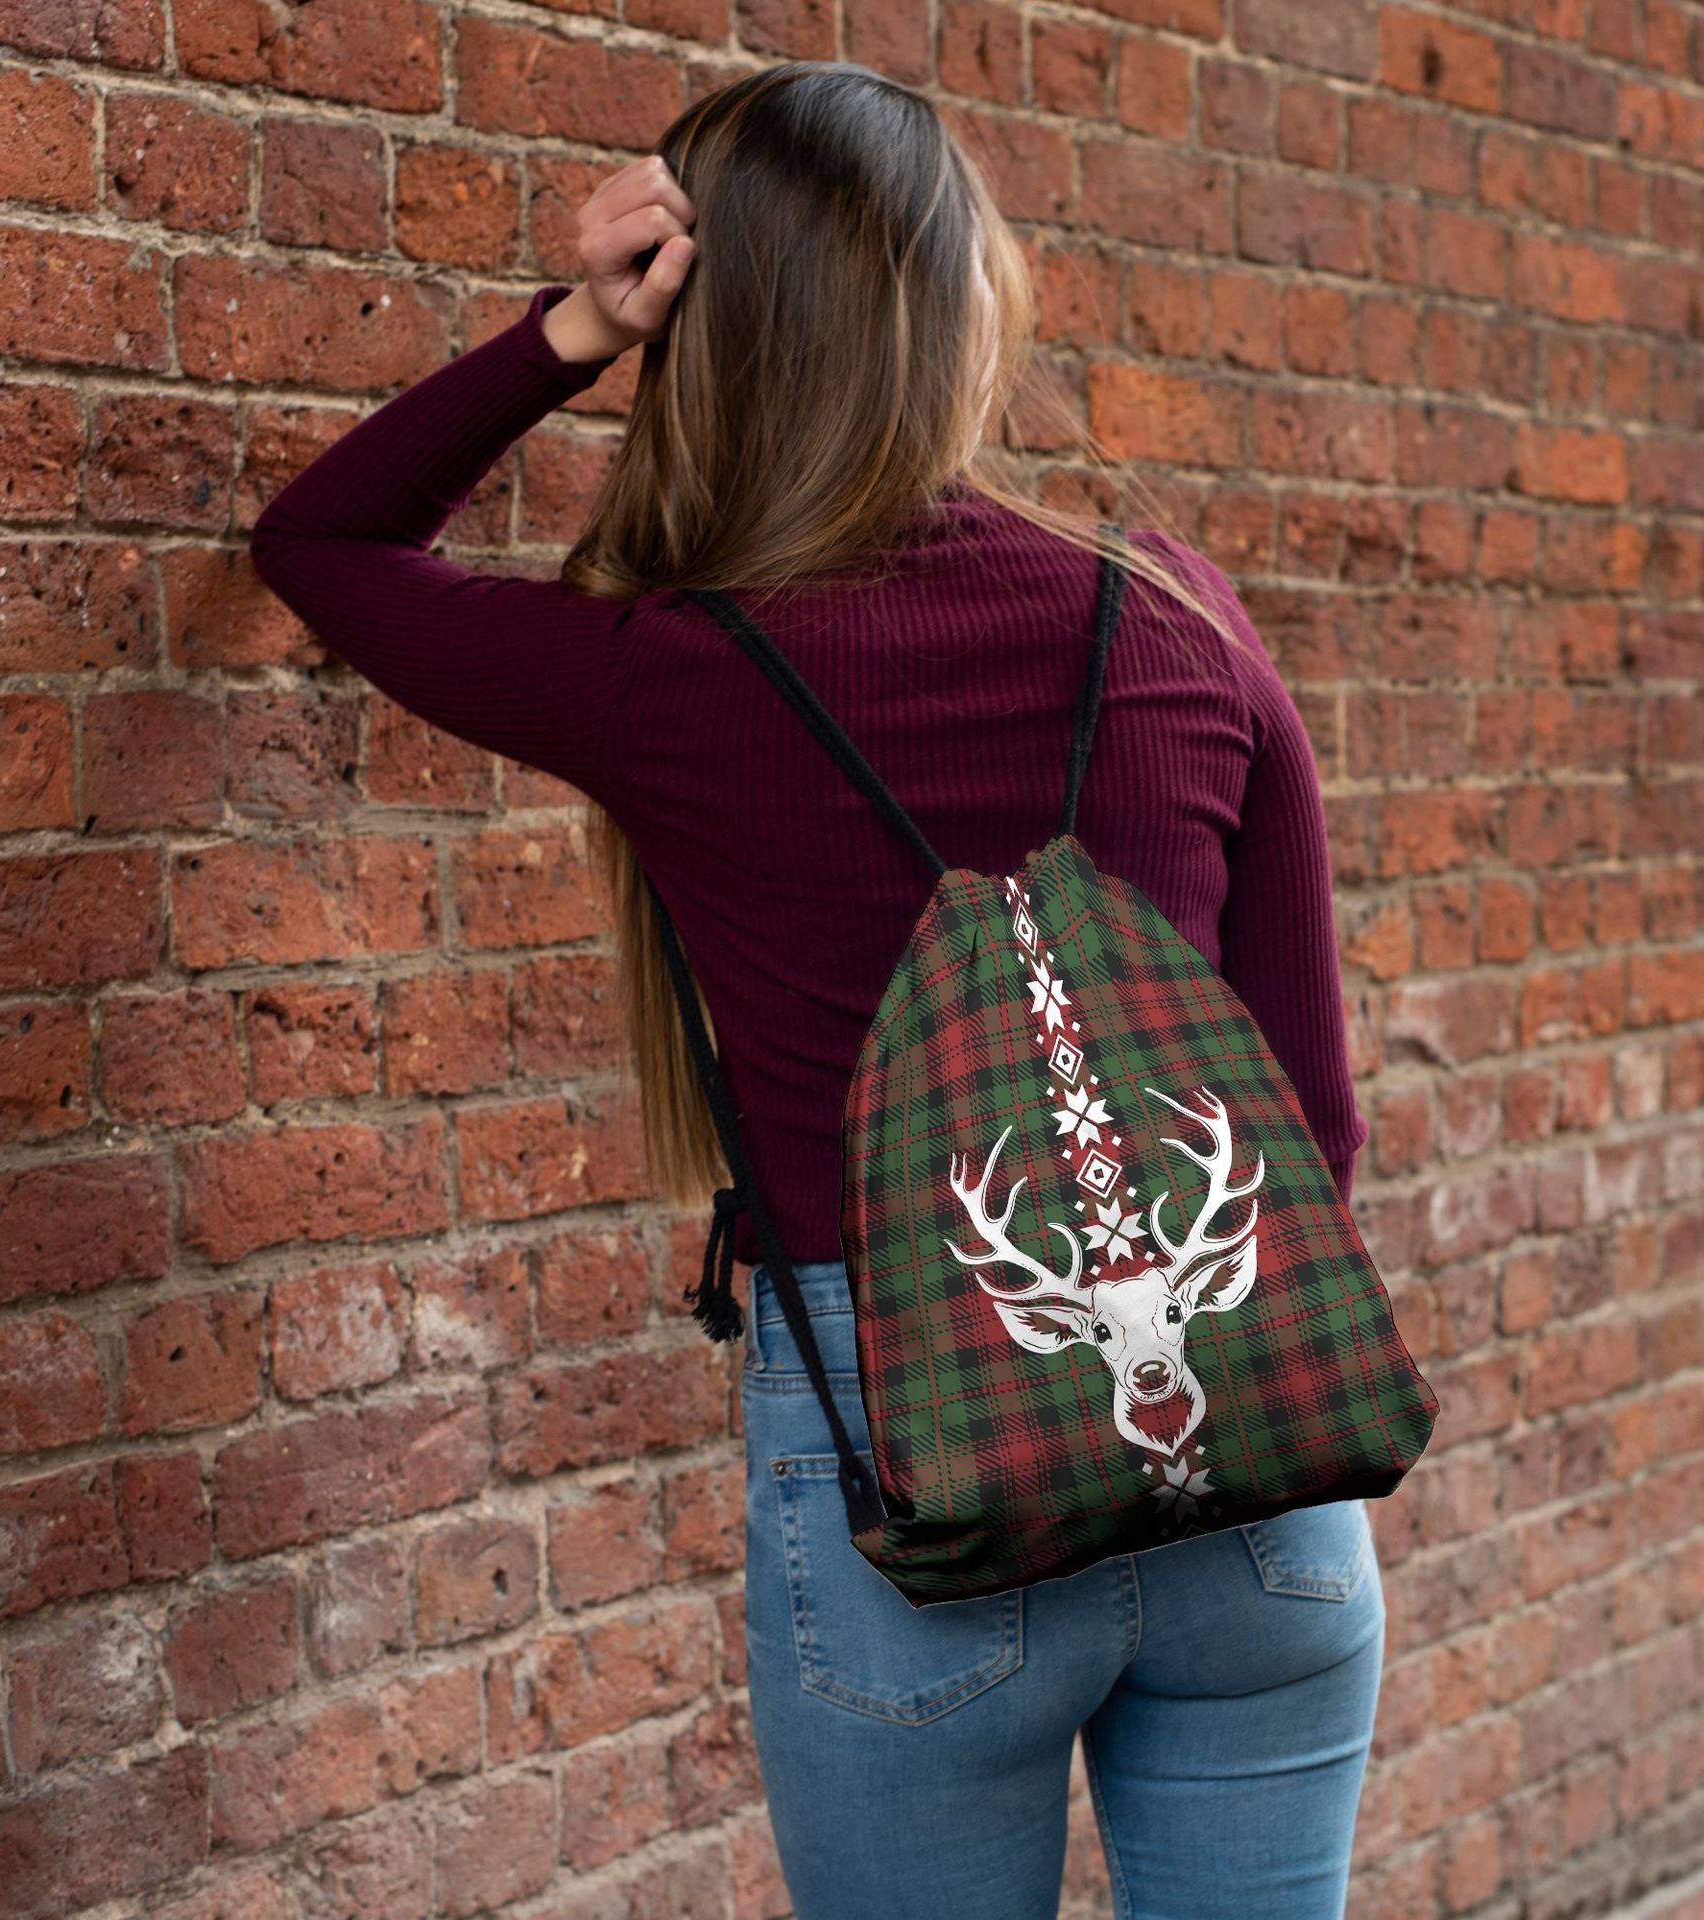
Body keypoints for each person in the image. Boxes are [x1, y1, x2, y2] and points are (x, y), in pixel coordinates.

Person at [248, 57, 1385, 1920]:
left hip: (905, 1470)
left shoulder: (670, 672)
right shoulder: (1171, 609)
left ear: (713, 322)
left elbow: (323, 544)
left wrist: (570, 334)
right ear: (971, 303)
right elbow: (1312, 1125)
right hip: (1255, 1463)